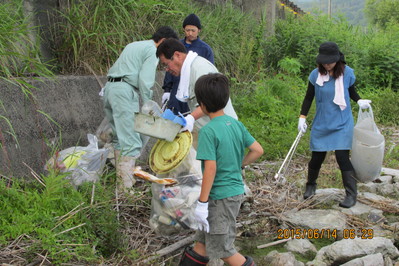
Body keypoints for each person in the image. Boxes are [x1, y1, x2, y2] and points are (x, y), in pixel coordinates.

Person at [178, 73, 263, 266]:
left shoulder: (208, 130)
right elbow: (257, 150)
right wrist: (238, 164)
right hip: (233, 193)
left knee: (224, 250)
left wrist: (202, 202)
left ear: (203, 104)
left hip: (219, 198)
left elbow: (210, 169)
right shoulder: (236, 124)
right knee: (202, 244)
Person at [297, 41, 372, 208]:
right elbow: (309, 97)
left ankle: (351, 195)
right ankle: (311, 186)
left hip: (342, 122)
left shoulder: (347, 73)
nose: (327, 64)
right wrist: (302, 117)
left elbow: (351, 92)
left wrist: (359, 101)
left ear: (337, 59)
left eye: (330, 61)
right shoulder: (315, 75)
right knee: (317, 157)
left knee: (342, 158)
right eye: (324, 61)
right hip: (322, 122)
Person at [103, 26, 178, 191]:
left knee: (119, 139)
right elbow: (145, 80)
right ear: (164, 41)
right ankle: (125, 190)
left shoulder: (134, 44)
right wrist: (148, 103)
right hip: (124, 91)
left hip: (109, 89)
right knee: (130, 141)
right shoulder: (153, 50)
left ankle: (121, 183)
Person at [156, 38, 237, 137]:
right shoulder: (188, 70)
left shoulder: (200, 68)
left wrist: (191, 118)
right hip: (208, 129)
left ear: (177, 55)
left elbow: (211, 100)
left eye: (166, 64)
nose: (167, 69)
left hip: (223, 129)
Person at [161, 13, 214, 115]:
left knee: (189, 117)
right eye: (187, 30)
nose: (190, 33)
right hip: (176, 88)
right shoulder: (176, 45)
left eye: (193, 30)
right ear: (183, 30)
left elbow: (209, 73)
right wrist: (167, 89)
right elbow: (169, 66)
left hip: (194, 90)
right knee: (174, 118)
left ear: (199, 30)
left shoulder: (205, 49)